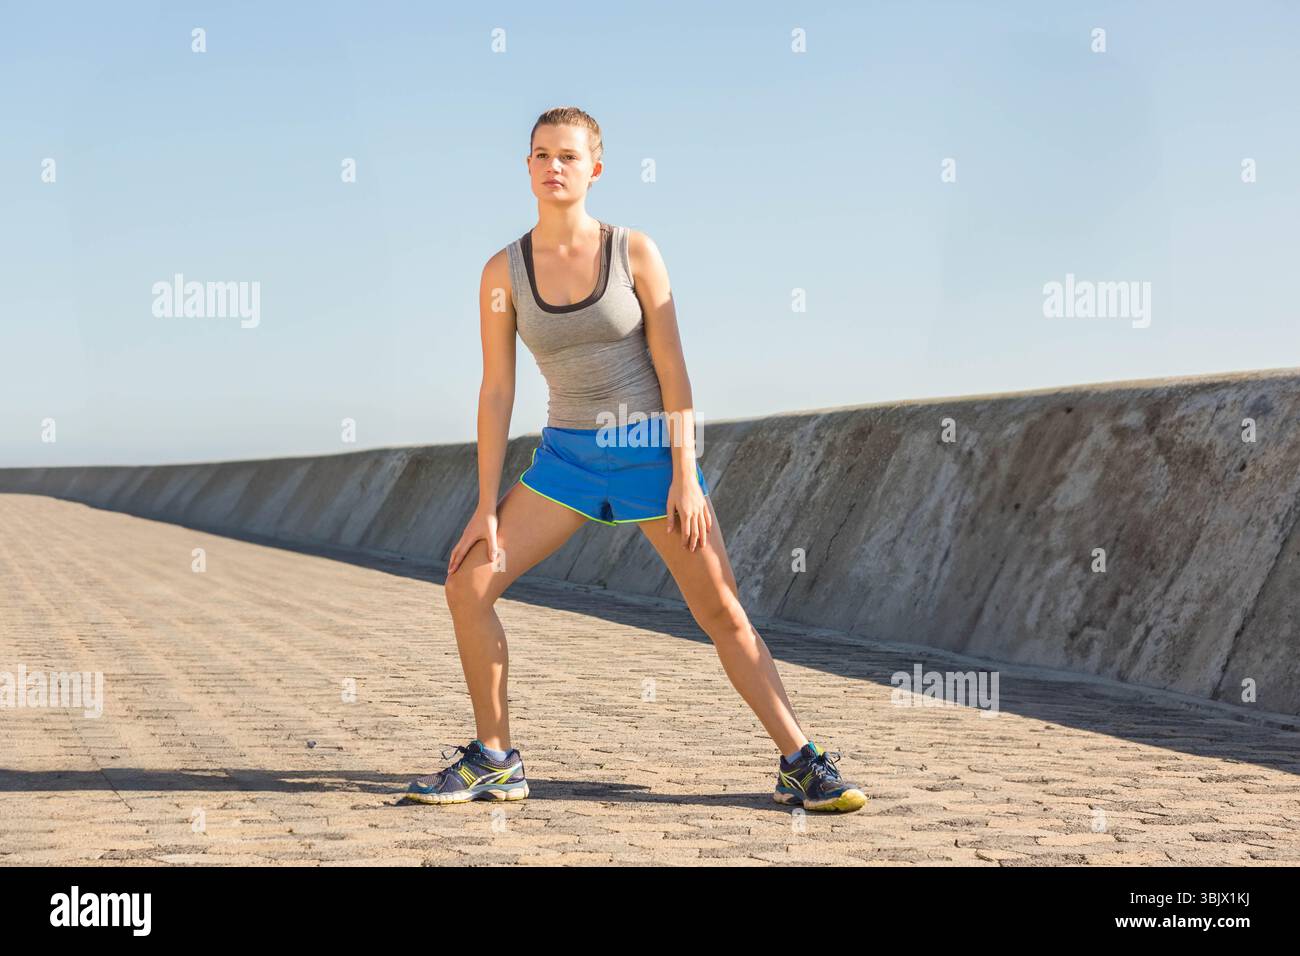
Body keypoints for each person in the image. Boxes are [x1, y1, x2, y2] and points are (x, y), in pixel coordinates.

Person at [404, 107, 865, 813]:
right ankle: (495, 758)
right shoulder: (503, 270)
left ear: (595, 168)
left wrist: (685, 472)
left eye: (567, 155)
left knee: (722, 612)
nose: (552, 167)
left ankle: (801, 761)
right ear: (526, 167)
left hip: (649, 453)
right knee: (468, 585)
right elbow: (498, 389)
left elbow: (672, 366)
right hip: (565, 459)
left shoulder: (635, 252)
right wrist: (483, 505)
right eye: (539, 155)